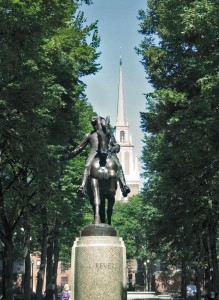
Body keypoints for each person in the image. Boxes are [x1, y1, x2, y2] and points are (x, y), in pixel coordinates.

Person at [64, 115, 130, 197]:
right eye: (94, 124)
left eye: (97, 124)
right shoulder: (89, 135)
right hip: (94, 154)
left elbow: (116, 144)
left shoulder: (108, 133)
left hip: (109, 154)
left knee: (118, 166)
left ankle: (123, 186)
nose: (96, 126)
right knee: (87, 165)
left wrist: (115, 148)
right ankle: (82, 187)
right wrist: (67, 156)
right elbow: (79, 148)